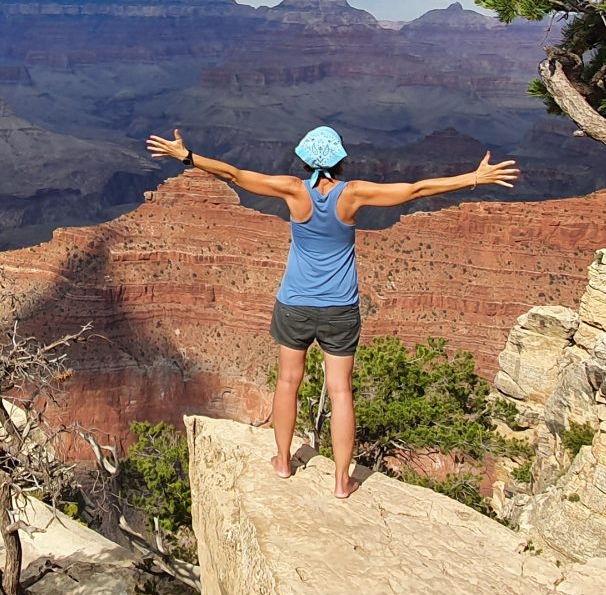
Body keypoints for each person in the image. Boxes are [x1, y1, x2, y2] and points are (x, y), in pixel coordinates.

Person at [145, 125, 521, 498]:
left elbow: (235, 174)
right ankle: (342, 481)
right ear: (340, 161)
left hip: (294, 303)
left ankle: (283, 461)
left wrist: (187, 156)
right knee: (341, 392)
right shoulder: (352, 195)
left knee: (287, 382)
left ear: (307, 160)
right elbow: (416, 190)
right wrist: (475, 177)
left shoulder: (293, 190)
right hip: (340, 308)